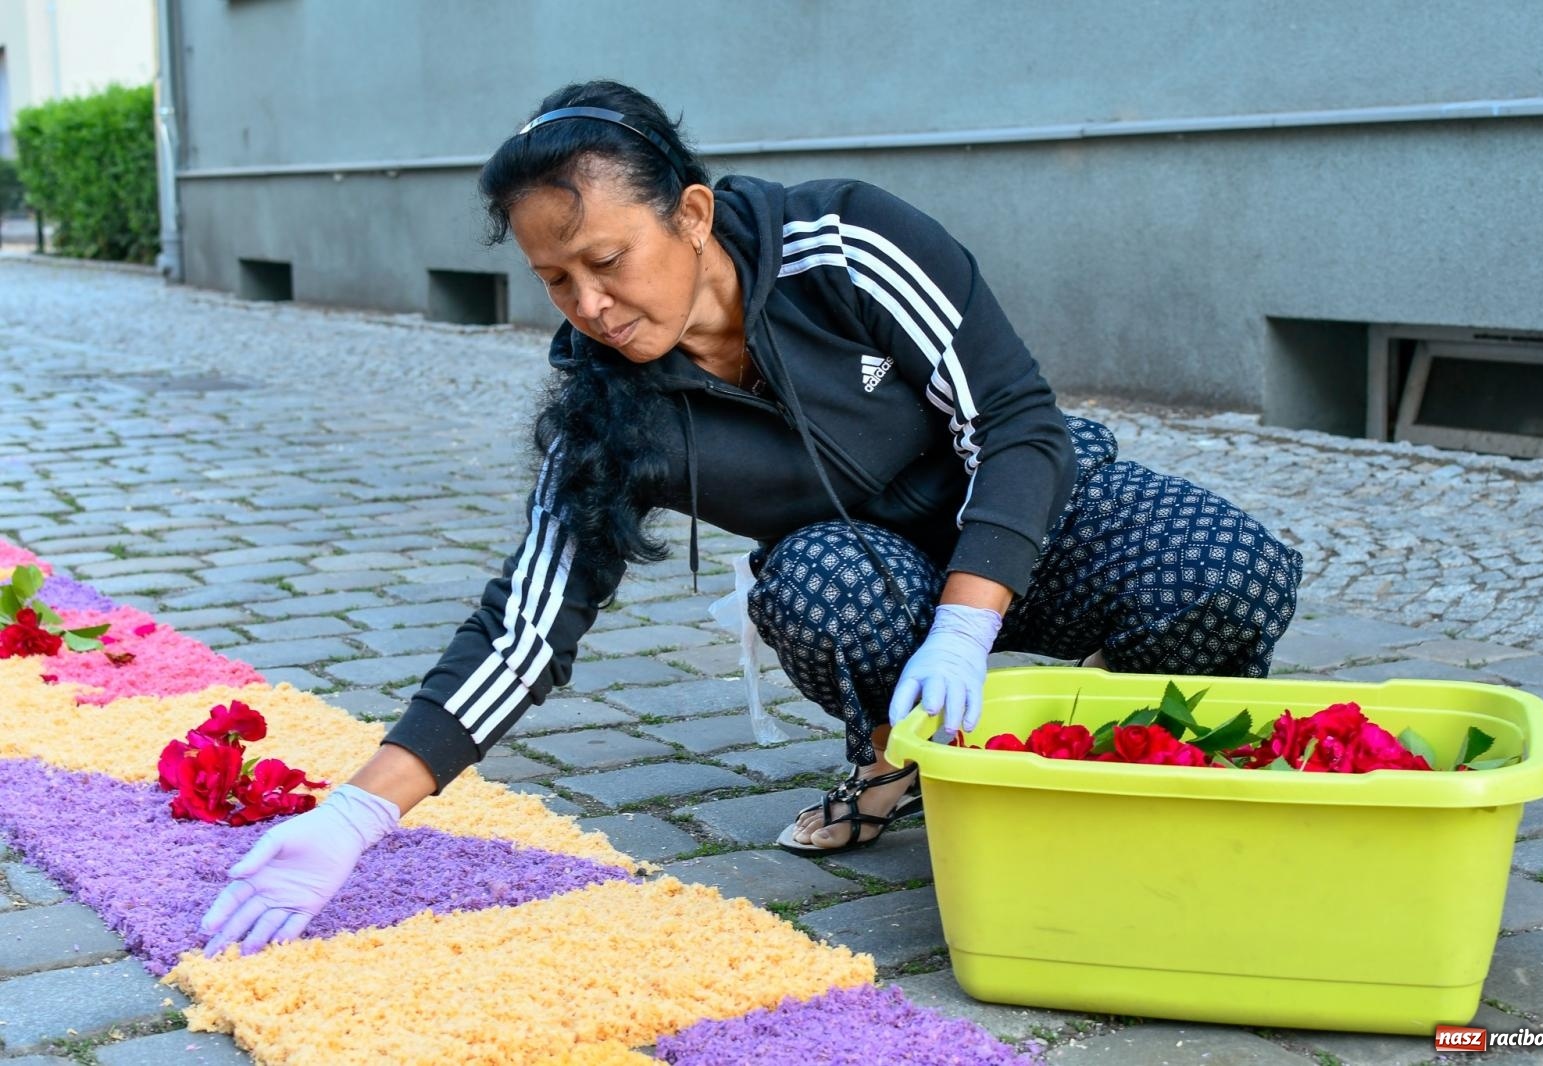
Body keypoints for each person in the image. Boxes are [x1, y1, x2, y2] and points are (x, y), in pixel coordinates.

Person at [199, 80, 1303, 956]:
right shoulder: (605, 407)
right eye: (554, 280)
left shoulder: (848, 243)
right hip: (871, 570)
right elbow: (525, 623)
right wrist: (356, 813)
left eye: (606, 260)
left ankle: (1103, 749)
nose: (589, 305)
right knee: (812, 585)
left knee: (1224, 569)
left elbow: (1015, 419)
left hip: (1026, 519)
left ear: (689, 212)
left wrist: (970, 621)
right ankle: (894, 756)